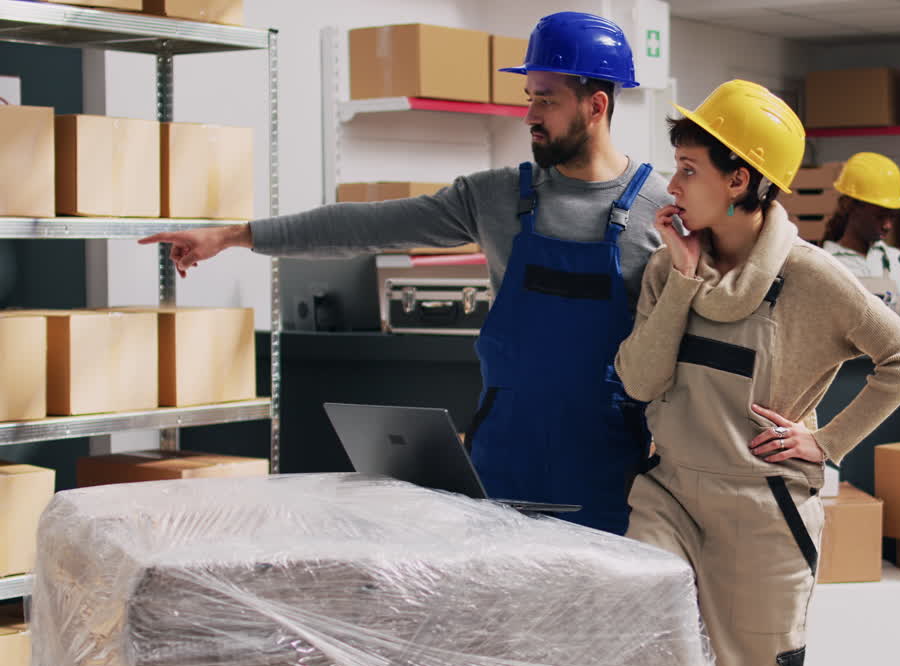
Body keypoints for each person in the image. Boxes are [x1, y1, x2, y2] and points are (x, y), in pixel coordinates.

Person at [138, 12, 671, 536]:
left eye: (546, 100)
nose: (529, 114)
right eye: (528, 96)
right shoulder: (494, 197)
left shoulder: (661, 212)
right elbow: (365, 226)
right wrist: (237, 235)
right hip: (503, 463)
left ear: (596, 106)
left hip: (610, 473)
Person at [615, 79, 900, 666]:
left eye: (688, 170)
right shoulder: (665, 268)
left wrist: (827, 443)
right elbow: (639, 383)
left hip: (761, 518)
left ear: (739, 181)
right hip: (668, 498)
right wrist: (682, 281)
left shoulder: (812, 277)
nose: (672, 187)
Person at [819, 152, 900, 325]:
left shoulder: (897, 260)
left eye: (892, 217)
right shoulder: (824, 263)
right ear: (849, 206)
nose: (887, 225)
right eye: (880, 216)